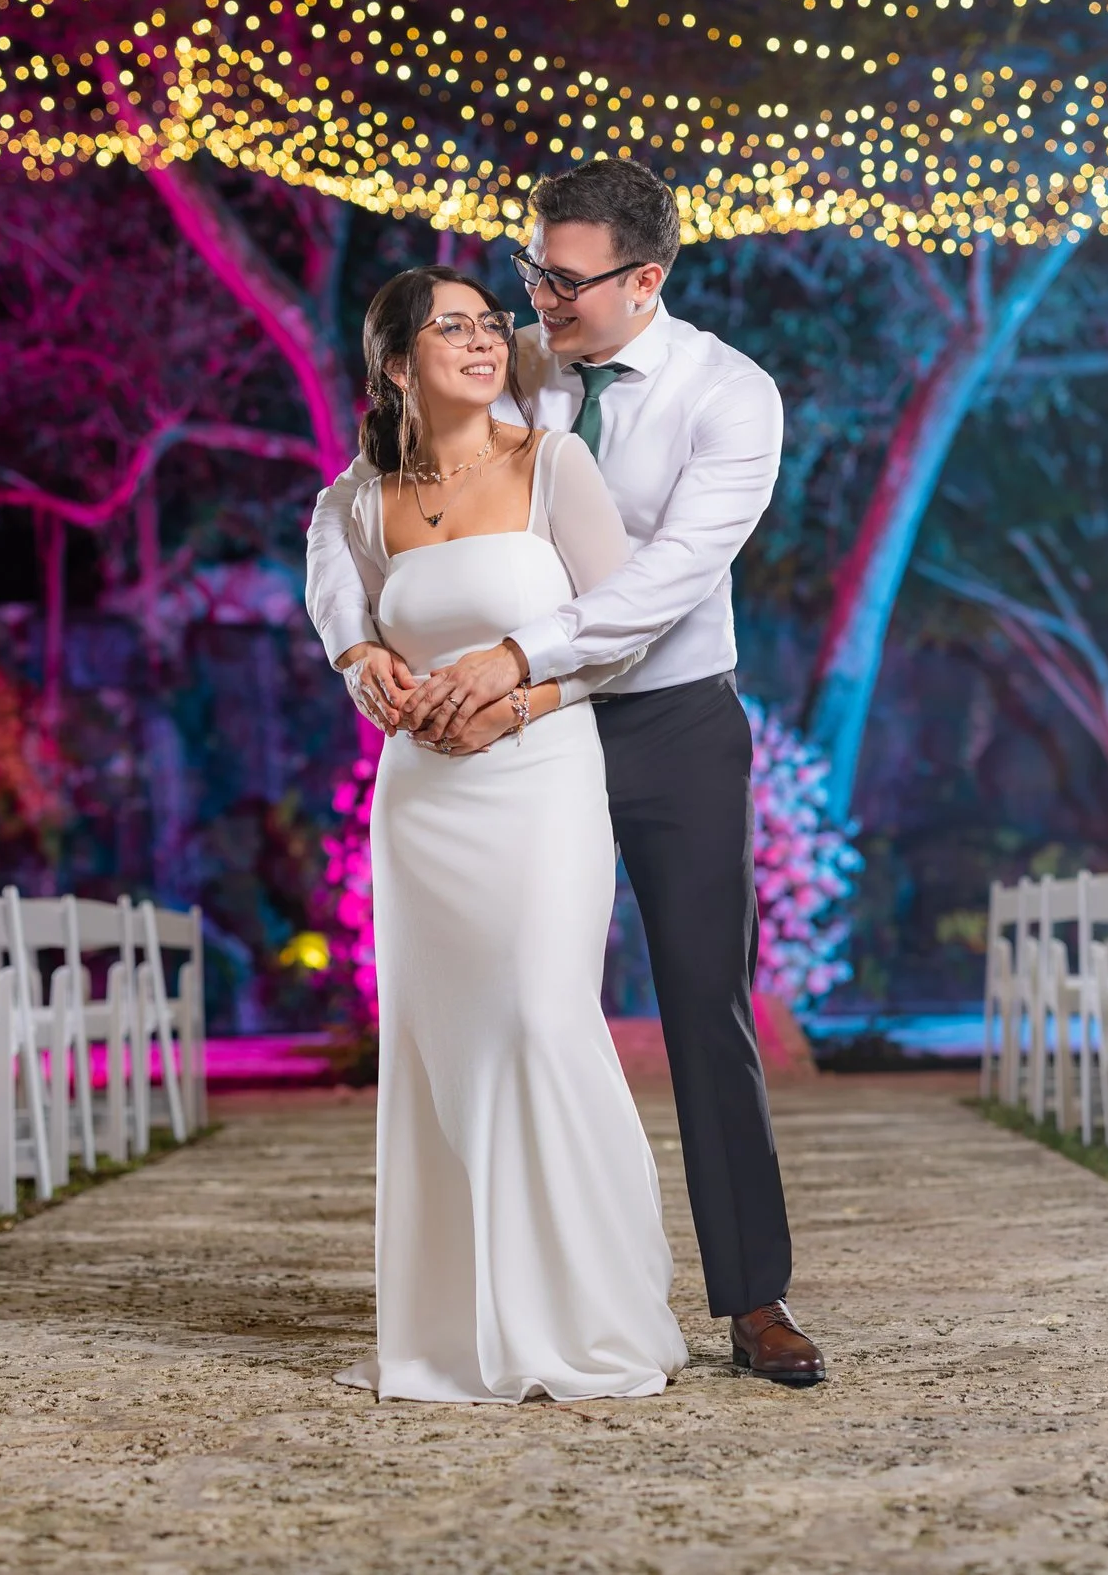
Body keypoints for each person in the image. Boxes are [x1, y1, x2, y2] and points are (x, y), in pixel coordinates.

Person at [307, 159, 824, 1387]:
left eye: (564, 279)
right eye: (529, 269)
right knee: (517, 1011)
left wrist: (519, 663)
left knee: (705, 1002)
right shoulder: (517, 356)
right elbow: (359, 497)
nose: (532, 298)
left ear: (646, 280)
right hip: (518, 747)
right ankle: (511, 1285)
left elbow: (666, 581)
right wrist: (356, 641)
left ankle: (753, 1300)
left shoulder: (729, 397)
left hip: (669, 721)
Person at [323, 265, 689, 1403]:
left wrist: (524, 696)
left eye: (491, 324)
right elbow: (338, 603)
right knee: (444, 1051)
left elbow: (624, 630)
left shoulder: (550, 464)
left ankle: (591, 1308)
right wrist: (363, 664)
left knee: (539, 1016)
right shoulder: (357, 498)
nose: (486, 341)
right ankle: (454, 1323)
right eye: (454, 328)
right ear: (395, 364)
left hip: (539, 778)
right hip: (421, 802)